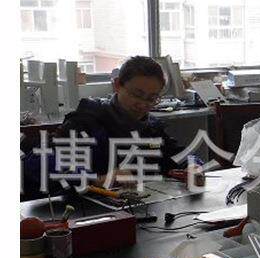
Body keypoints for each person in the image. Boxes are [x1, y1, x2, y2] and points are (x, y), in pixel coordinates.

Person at [23, 55, 192, 194]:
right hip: (85, 211)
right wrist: (96, 179)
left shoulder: (151, 128)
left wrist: (193, 167)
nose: (142, 104)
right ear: (117, 85)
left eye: (151, 98)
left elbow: (180, 156)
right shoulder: (87, 120)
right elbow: (37, 162)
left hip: (135, 209)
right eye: (137, 94)